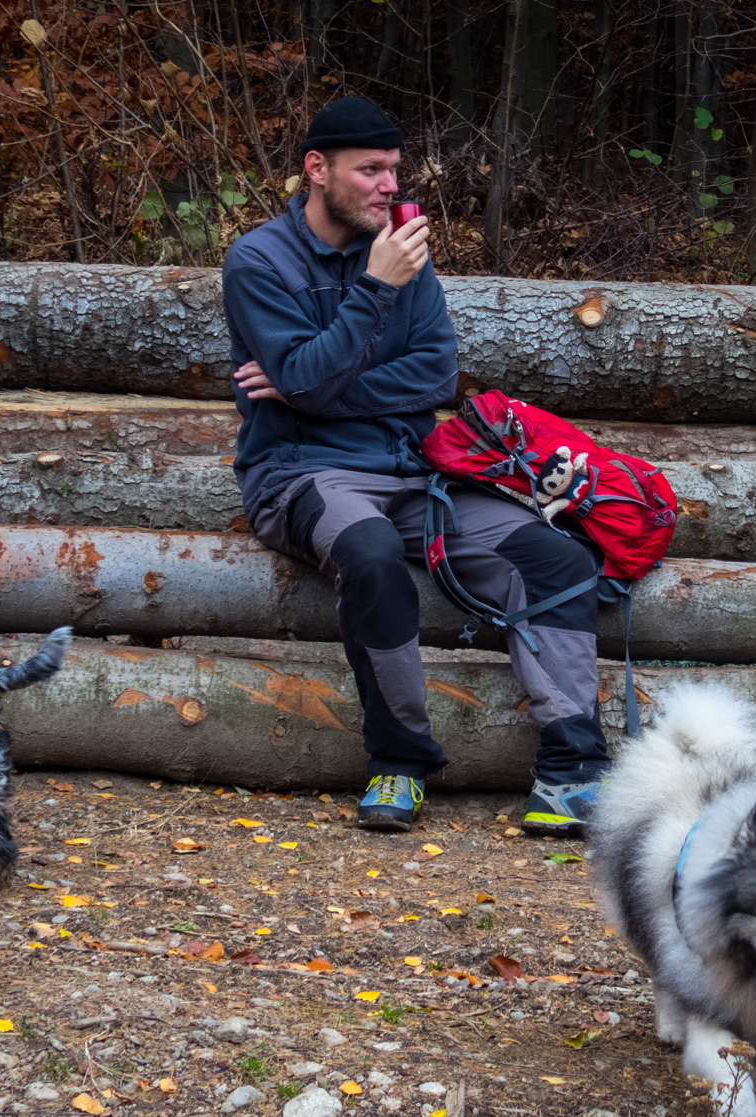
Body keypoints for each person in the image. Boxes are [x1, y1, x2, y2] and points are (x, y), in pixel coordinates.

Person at [221, 97, 609, 836]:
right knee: (367, 553)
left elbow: (435, 377)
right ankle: (399, 762)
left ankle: (572, 771)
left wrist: (314, 384)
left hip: (413, 472)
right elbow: (302, 383)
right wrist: (373, 293)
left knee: (552, 556)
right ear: (317, 169)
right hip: (303, 475)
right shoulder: (259, 261)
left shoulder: (405, 247)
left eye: (394, 169)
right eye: (370, 170)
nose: (388, 185)